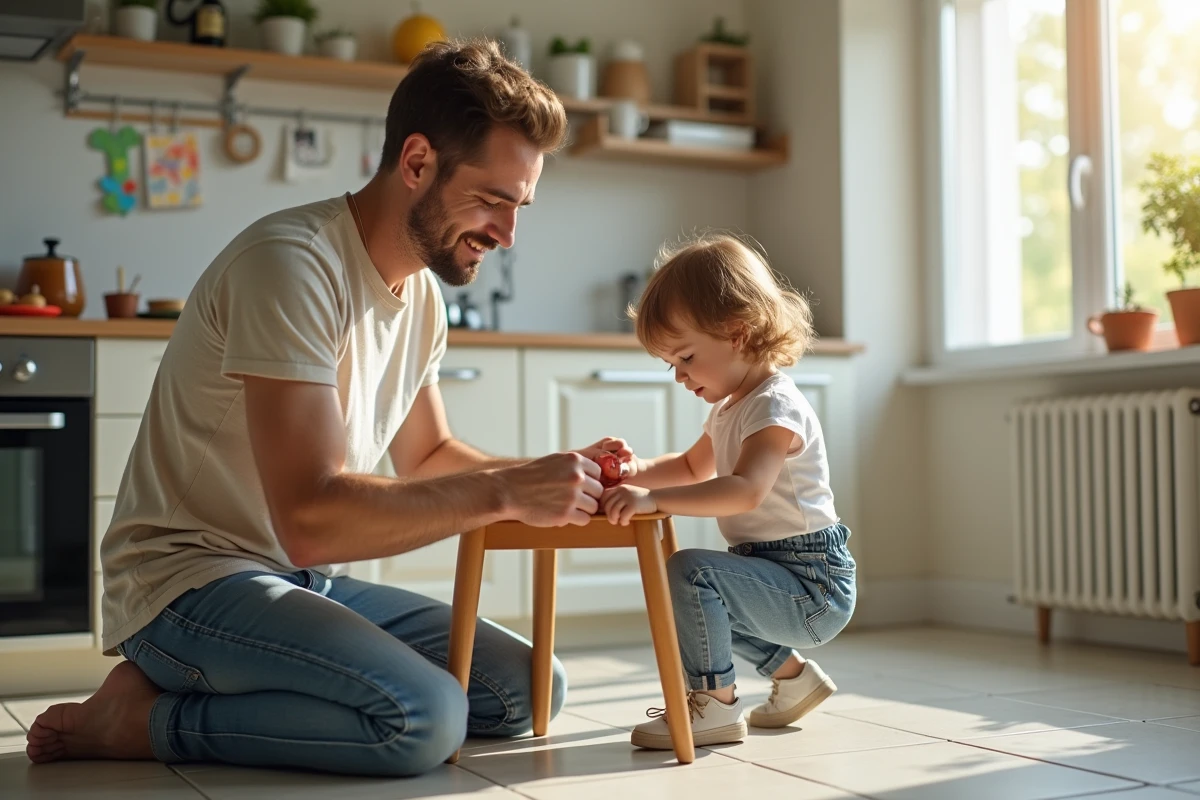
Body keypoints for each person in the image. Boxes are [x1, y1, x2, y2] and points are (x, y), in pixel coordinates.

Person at [26, 40, 631, 777]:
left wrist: (559, 476)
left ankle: (223, 680)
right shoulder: (291, 265)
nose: (507, 235)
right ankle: (140, 720)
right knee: (424, 718)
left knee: (526, 692)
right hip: (186, 581)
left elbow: (431, 457)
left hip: (294, 580)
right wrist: (505, 491)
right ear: (416, 163)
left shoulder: (422, 299)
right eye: (493, 200)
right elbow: (310, 520)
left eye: (519, 206)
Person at [601, 234, 856, 750]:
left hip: (812, 584)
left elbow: (745, 491)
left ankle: (715, 708)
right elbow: (692, 466)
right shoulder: (729, 409)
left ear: (737, 334)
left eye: (687, 357)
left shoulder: (773, 406)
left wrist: (655, 501)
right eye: (671, 363)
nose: (679, 376)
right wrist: (635, 471)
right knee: (701, 606)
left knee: (693, 574)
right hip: (777, 569)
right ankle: (794, 679)